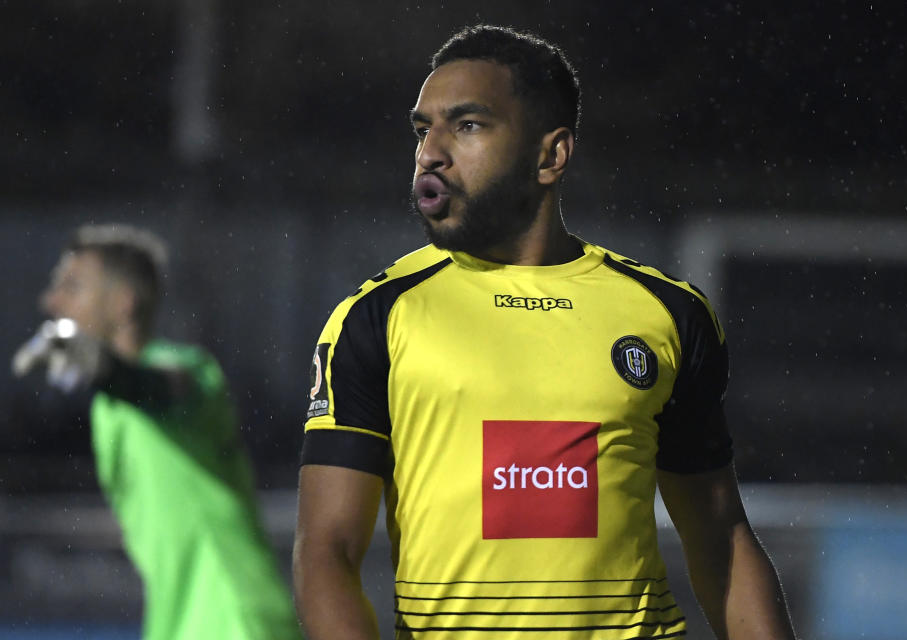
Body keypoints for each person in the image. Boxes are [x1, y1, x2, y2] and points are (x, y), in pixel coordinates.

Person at [293, 25, 797, 640]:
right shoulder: (376, 316)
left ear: (550, 156)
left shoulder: (666, 313)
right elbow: (326, 555)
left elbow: (721, 539)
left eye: (468, 125)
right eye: (424, 130)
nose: (431, 152)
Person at [12, 224, 302, 640]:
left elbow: (157, 386)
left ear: (124, 303)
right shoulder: (108, 405)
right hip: (180, 624)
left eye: (73, 287)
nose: (52, 300)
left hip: (237, 619)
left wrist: (102, 367)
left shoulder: (190, 373)